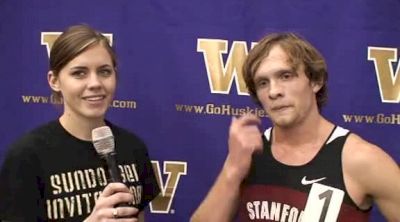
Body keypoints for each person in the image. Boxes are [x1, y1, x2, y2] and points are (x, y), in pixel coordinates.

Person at [191, 33, 400, 222]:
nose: (274, 91)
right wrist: (232, 171)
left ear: (315, 81)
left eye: (286, 76)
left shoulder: (360, 159)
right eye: (263, 83)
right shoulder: (248, 154)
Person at [0, 24, 160, 221]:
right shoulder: (27, 156)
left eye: (104, 71)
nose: (95, 83)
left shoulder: (132, 148)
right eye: (79, 73)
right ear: (54, 81)